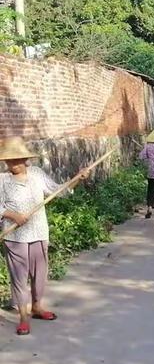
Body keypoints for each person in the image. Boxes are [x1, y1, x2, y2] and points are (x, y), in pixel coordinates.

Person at [0, 136, 89, 336]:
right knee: (19, 278)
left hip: (39, 231)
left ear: (25, 159)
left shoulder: (37, 174)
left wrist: (76, 179)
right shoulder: (2, 180)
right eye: (9, 161)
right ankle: (23, 316)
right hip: (15, 236)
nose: (12, 164)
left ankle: (37, 307)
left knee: (40, 274)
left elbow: (58, 191)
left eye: (16, 160)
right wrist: (12, 215)